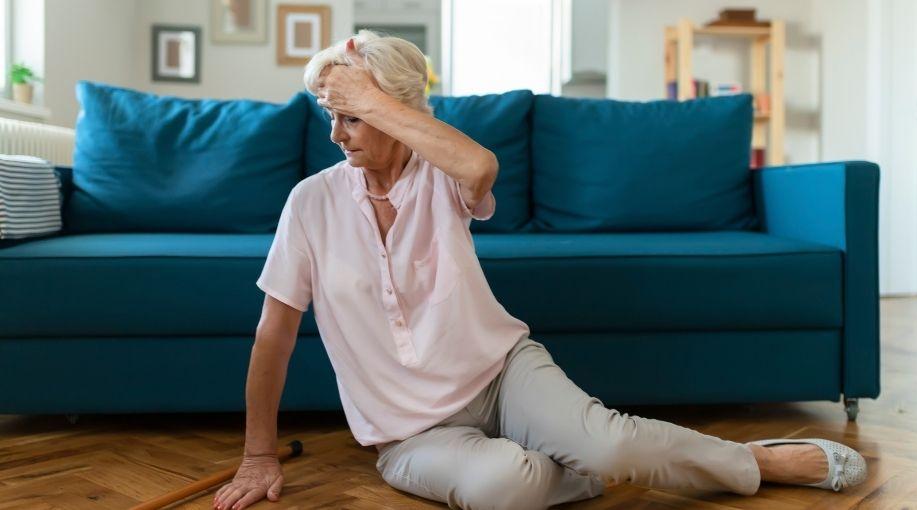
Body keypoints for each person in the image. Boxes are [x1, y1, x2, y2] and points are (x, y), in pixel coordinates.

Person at [212, 31, 867, 510]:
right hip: (409, 433)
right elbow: (274, 333)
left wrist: (374, 100)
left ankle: (754, 461)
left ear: (397, 111)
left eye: (351, 116)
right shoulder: (312, 203)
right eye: (331, 115)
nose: (336, 133)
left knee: (611, 447)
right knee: (506, 486)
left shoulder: (441, 173)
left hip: (501, 374)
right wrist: (257, 454)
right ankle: (586, 463)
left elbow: (480, 170)